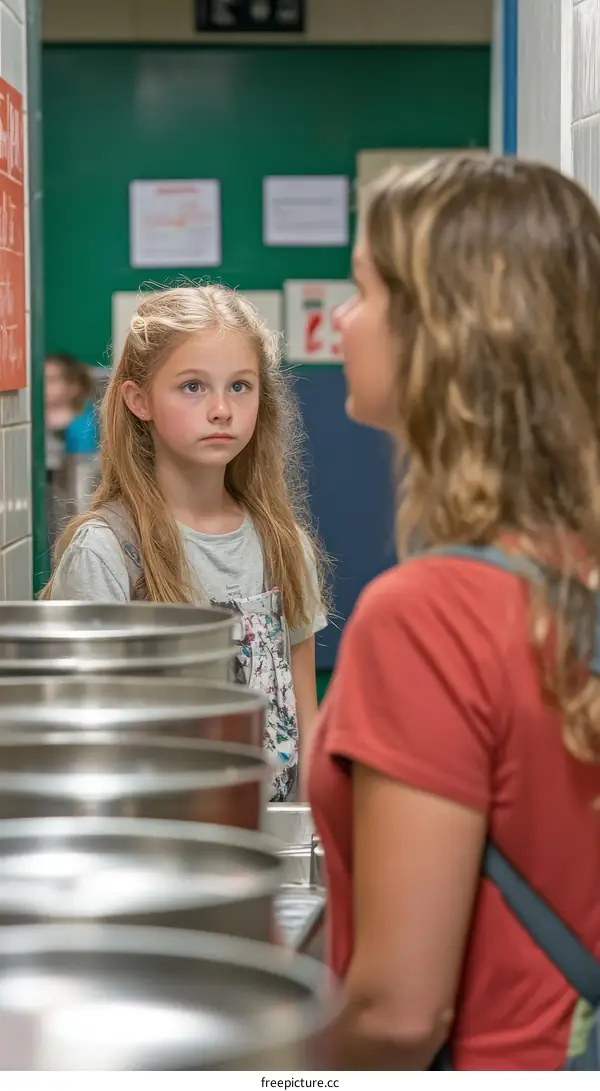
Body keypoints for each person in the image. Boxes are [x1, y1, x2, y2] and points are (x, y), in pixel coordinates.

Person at [309, 156, 600, 1070]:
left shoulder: (428, 616)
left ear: (447, 335)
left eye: (363, 290)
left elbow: (398, 1017)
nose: (342, 322)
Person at [43, 285, 327, 801]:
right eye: (193, 386)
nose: (221, 409)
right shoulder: (105, 553)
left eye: (240, 386)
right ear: (139, 400)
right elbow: (83, 744)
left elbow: (308, 727)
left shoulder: (285, 547)